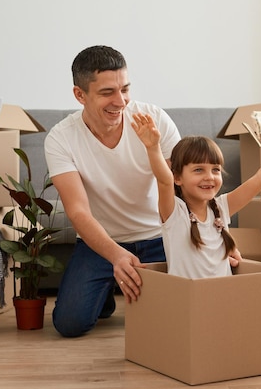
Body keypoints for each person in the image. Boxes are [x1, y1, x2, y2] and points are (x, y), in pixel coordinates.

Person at [44, 45, 181, 338]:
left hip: (159, 237)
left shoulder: (153, 119)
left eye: (125, 89)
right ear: (80, 95)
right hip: (102, 244)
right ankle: (104, 289)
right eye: (107, 92)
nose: (120, 101)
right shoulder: (61, 138)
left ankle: (110, 284)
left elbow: (178, 188)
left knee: (176, 315)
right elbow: (77, 210)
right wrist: (116, 255)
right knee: (69, 324)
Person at [131, 113, 261, 279]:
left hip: (224, 300)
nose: (209, 177)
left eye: (215, 170)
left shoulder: (222, 207)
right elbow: (163, 180)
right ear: (178, 177)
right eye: (198, 170)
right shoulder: (174, 213)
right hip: (189, 304)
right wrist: (153, 148)